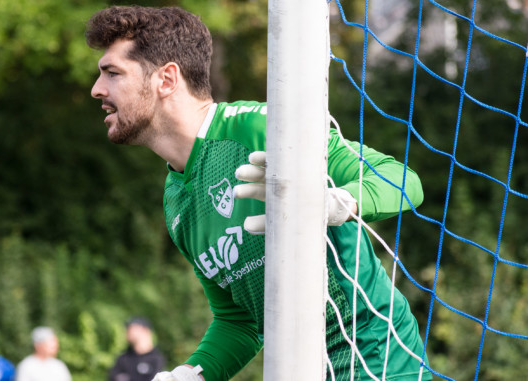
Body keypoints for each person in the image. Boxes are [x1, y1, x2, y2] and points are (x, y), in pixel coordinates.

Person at [86, 5, 432, 381]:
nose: (96, 89)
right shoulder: (177, 202)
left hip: (375, 363)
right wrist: (193, 373)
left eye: (112, 73)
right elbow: (240, 322)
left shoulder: (267, 127)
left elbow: (403, 180)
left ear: (167, 79)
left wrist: (335, 202)